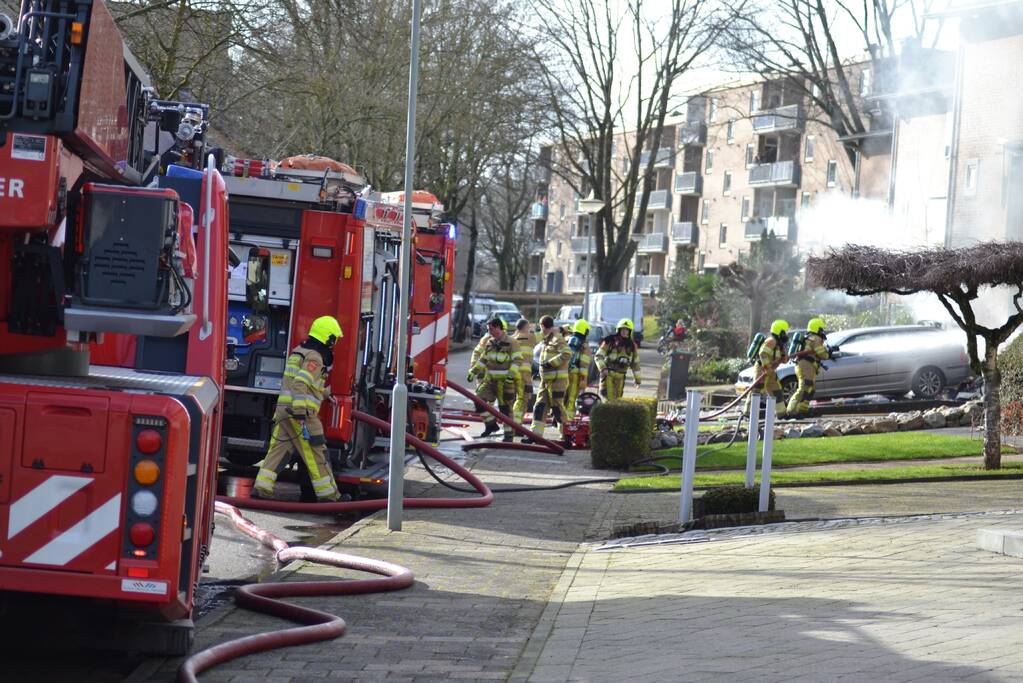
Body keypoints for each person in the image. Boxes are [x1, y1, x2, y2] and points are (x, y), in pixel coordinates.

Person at [254, 316, 343, 502]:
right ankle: (330, 496)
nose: (334, 344)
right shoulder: (315, 358)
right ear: (328, 338)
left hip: (284, 412)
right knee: (316, 452)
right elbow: (300, 385)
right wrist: (301, 413)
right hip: (300, 414)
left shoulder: (299, 352)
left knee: (278, 449)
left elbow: (304, 384)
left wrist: (325, 394)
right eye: (334, 339)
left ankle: (262, 487)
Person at [469, 317, 524, 442]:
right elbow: (484, 359)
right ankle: (491, 425)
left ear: (498, 327)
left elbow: (518, 360)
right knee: (479, 401)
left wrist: (511, 376)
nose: (489, 332)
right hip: (490, 381)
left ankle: (509, 435)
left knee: (505, 410)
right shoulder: (490, 342)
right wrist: (474, 371)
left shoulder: (512, 343)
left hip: (505, 383)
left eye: (491, 329)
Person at [530, 315, 571, 441]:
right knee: (539, 407)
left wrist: (551, 363)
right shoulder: (547, 339)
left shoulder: (556, 338)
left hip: (557, 381)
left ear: (542, 326)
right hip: (546, 381)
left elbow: (567, 353)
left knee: (557, 408)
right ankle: (535, 435)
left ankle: (566, 435)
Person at [787, 317, 831, 416]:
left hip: (805, 365)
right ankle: (791, 410)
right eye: (821, 329)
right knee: (804, 387)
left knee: (811, 389)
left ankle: (802, 410)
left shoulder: (809, 338)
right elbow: (823, 355)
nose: (822, 331)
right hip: (805, 365)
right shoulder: (816, 338)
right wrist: (829, 354)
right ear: (817, 328)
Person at [747, 319, 790, 418]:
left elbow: (782, 359)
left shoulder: (779, 344)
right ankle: (748, 413)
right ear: (780, 332)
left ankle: (782, 414)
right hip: (762, 369)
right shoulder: (771, 341)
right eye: (785, 332)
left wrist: (785, 358)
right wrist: (767, 367)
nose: (786, 335)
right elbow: (763, 353)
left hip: (770, 371)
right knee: (756, 391)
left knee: (777, 391)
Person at [594, 318, 641, 400]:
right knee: (609, 399)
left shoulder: (632, 345)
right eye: (622, 329)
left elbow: (635, 364)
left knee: (618, 400)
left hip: (621, 376)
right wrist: (603, 368)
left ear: (630, 331)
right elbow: (598, 356)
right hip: (608, 374)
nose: (624, 331)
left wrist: (637, 380)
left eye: (627, 330)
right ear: (618, 330)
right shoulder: (609, 341)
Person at [564, 319, 592, 420]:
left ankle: (557, 419)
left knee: (561, 398)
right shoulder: (584, 346)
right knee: (571, 400)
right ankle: (567, 424)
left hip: (562, 373)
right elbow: (584, 365)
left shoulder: (566, 340)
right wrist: (583, 381)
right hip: (574, 375)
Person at [512, 318, 537, 423]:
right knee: (522, 399)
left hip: (512, 374)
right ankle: (516, 424)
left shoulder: (511, 339)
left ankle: (511, 422)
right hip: (524, 375)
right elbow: (546, 334)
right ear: (525, 327)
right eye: (529, 327)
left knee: (512, 399)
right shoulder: (530, 337)